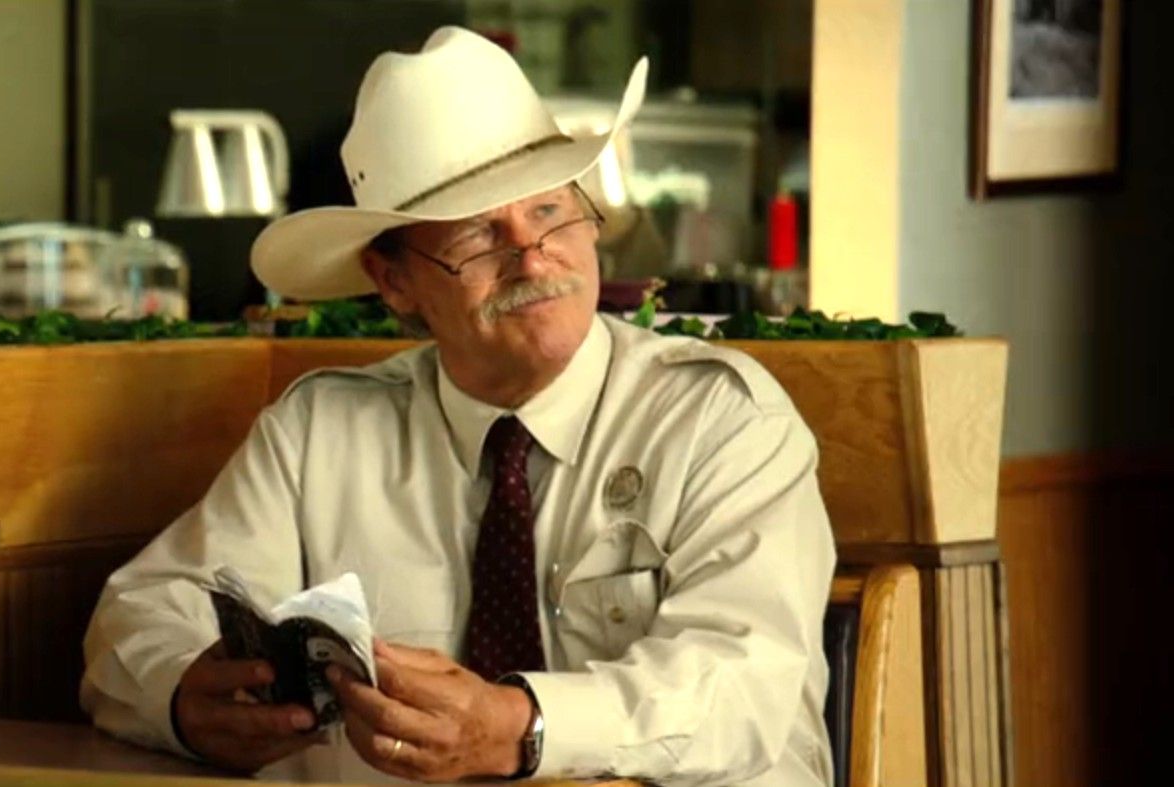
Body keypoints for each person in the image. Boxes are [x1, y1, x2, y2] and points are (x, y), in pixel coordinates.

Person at [81, 26, 835, 786]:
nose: (533, 257)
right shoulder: (318, 435)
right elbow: (145, 611)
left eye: (549, 212)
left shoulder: (721, 419)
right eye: (479, 234)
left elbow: (745, 683)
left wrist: (522, 725)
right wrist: (182, 696)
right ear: (395, 282)